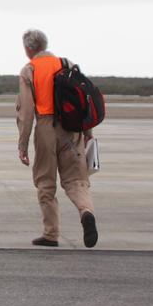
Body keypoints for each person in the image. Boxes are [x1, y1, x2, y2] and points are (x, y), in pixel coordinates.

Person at [17, 28, 98, 248]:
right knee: (76, 180)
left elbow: (26, 112)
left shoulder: (29, 69)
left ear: (28, 49)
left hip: (46, 127)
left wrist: (22, 144)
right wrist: (88, 134)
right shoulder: (67, 64)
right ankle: (86, 212)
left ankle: (51, 233)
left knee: (45, 181)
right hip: (72, 129)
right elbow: (84, 101)